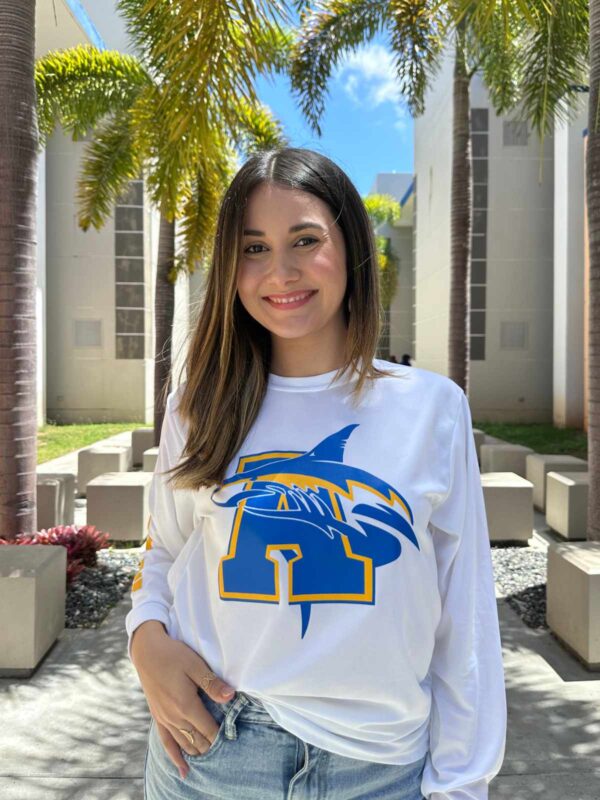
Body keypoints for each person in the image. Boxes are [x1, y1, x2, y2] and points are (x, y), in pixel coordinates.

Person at [126, 147, 507, 800]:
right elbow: (167, 550)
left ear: (352, 249)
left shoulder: (430, 407)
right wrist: (144, 642)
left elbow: (464, 615)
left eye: (306, 240)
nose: (282, 270)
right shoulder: (199, 403)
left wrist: (462, 783)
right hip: (213, 750)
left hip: (380, 768)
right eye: (253, 248)